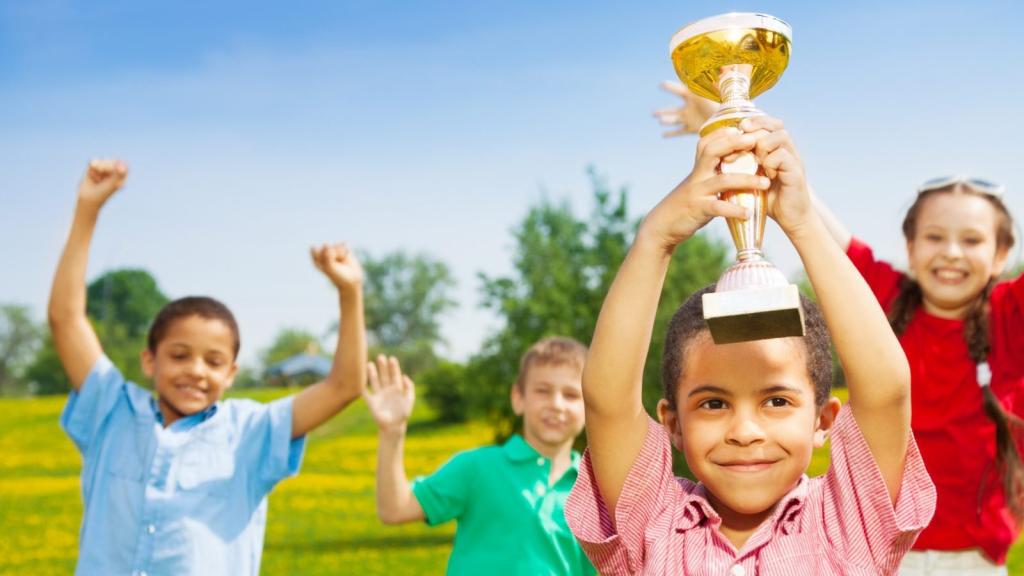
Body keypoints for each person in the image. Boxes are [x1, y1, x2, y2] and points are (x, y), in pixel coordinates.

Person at [564, 119, 936, 574]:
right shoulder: (654, 526)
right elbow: (607, 400)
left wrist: (802, 225)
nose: (745, 431)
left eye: (777, 400)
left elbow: (887, 389)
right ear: (673, 423)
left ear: (823, 420)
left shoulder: (848, 522)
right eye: (714, 403)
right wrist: (656, 238)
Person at [50, 159, 367, 576]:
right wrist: (87, 209)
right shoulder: (111, 410)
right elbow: (66, 318)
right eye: (179, 355)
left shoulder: (252, 431)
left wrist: (350, 292)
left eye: (214, 361)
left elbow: (344, 385)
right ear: (150, 360)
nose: (196, 371)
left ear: (231, 373)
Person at [808, 166, 1023, 574]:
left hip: (971, 560)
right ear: (910, 248)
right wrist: (734, 123)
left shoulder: (1012, 315)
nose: (952, 252)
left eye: (972, 240)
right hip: (878, 549)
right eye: (935, 237)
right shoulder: (885, 296)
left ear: (1000, 256)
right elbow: (813, 224)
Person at [363, 337, 596, 575]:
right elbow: (395, 509)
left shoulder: (596, 494)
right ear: (518, 398)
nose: (556, 404)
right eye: (543, 391)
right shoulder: (475, 468)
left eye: (571, 395)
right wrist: (392, 432)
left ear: (590, 407)